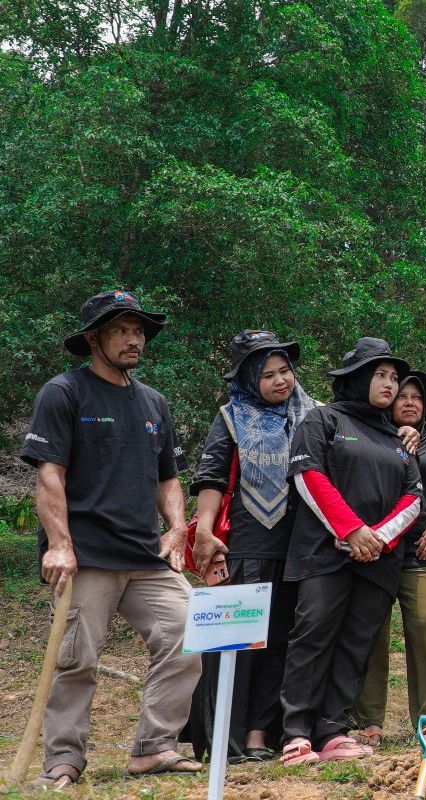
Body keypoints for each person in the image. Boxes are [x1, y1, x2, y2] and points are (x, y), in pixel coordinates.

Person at [21, 291, 202, 788]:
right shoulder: (64, 393)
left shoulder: (153, 402)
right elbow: (49, 477)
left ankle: (154, 746)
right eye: (121, 330)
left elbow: (169, 479)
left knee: (189, 633)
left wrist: (178, 527)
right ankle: (63, 761)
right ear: (93, 338)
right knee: (78, 659)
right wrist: (59, 543)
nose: (134, 338)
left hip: (145, 554)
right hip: (86, 555)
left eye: (139, 330)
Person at [279, 337, 423, 765]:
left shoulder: (397, 437)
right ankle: (295, 732)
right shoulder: (322, 420)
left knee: (357, 642)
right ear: (357, 378)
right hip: (324, 553)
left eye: (394, 378)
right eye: (380, 375)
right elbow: (308, 475)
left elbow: (414, 496)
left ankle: (333, 730)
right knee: (313, 634)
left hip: (379, 559)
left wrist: (376, 538)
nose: (390, 384)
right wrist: (351, 530)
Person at [185, 330, 316, 763]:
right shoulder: (230, 416)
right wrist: (205, 530)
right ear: (247, 378)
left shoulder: (314, 415)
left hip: (298, 545)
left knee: (280, 641)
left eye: (285, 371)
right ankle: (226, 737)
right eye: (268, 375)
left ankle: (261, 735)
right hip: (244, 544)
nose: (281, 381)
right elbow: (212, 478)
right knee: (235, 644)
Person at [352, 372, 426, 746]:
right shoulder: (370, 434)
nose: (410, 402)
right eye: (403, 396)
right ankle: (368, 721)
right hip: (377, 548)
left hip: (423, 547)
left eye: (417, 397)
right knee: (371, 629)